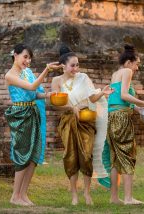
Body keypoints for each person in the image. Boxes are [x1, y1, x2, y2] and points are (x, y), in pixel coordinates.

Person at [51, 46, 113, 205]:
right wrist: (72, 108)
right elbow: (56, 104)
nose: (76, 68)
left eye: (77, 65)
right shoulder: (56, 81)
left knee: (86, 156)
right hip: (68, 121)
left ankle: (86, 193)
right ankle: (74, 195)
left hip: (86, 119)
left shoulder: (83, 77)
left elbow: (92, 98)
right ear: (63, 66)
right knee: (71, 157)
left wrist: (102, 93)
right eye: (72, 65)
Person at [4, 43, 61, 206]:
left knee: (34, 156)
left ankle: (23, 194)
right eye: (25, 57)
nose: (28, 61)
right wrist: (46, 70)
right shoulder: (10, 75)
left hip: (32, 113)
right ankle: (15, 196)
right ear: (15, 55)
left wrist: (48, 95)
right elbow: (31, 86)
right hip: (20, 116)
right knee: (23, 154)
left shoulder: (27, 72)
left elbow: (34, 93)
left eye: (29, 58)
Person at [107, 44, 144, 205]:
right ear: (129, 62)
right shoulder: (127, 72)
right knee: (128, 155)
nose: (137, 68)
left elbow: (118, 100)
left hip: (112, 116)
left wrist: (139, 109)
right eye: (136, 64)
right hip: (121, 119)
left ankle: (114, 198)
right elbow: (124, 95)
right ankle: (128, 198)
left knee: (115, 158)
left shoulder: (115, 74)